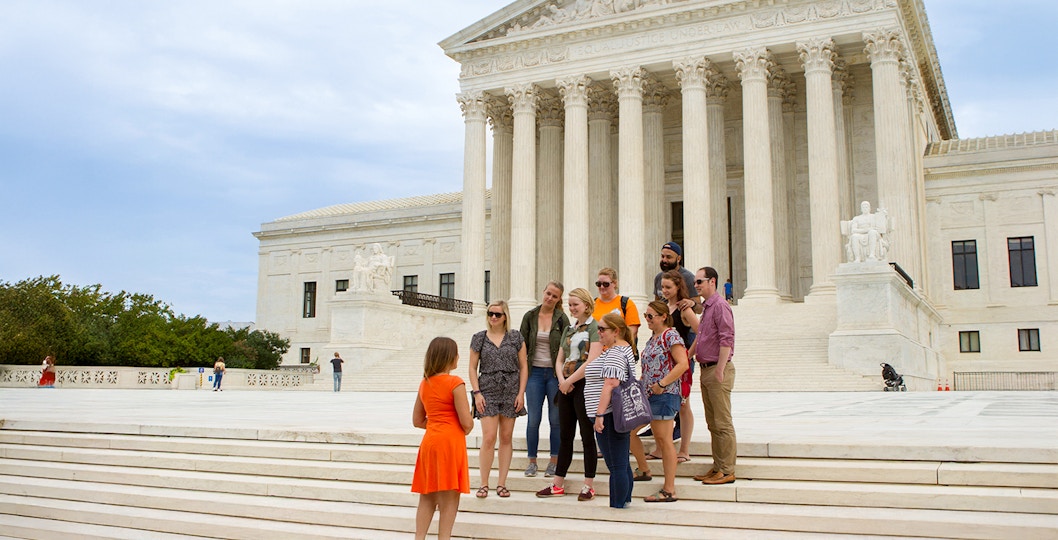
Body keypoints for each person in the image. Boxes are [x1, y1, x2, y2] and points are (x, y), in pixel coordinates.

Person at [537, 288, 601, 501]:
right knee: (565, 436)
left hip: (584, 386)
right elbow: (559, 358)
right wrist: (562, 381)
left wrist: (570, 381)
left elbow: (592, 359)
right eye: (570, 304)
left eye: (576, 304)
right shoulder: (568, 329)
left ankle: (588, 485)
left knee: (586, 435)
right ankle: (557, 483)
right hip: (565, 385)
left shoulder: (595, 327)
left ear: (586, 304)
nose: (572, 308)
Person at [411, 337, 474, 540]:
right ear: (451, 357)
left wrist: (437, 424)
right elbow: (467, 423)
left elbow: (417, 420)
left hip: (430, 441)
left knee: (427, 497)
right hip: (450, 442)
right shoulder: (455, 383)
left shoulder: (425, 383)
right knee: (449, 499)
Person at [468, 300, 527, 499]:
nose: (493, 317)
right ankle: (483, 483)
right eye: (490, 313)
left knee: (506, 437)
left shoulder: (515, 337)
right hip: (487, 389)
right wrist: (477, 393)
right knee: (489, 437)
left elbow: (524, 366)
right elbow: (472, 367)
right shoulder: (479, 338)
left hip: (511, 388)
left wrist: (521, 393)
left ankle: (501, 483)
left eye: (497, 314)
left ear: (505, 316)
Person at [633, 300, 689, 502]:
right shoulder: (652, 338)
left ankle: (669, 489)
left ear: (663, 316)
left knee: (664, 441)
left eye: (650, 316)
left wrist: (663, 384)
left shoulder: (670, 335)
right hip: (650, 395)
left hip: (665, 394)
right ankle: (644, 470)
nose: (646, 319)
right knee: (629, 431)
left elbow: (682, 364)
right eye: (646, 316)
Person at [688, 266, 737, 485]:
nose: (696, 285)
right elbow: (702, 336)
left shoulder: (720, 306)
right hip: (705, 368)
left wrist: (720, 368)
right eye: (696, 282)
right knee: (713, 423)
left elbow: (727, 337)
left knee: (723, 422)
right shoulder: (707, 308)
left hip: (717, 368)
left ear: (713, 282)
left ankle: (727, 470)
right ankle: (718, 467)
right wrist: (688, 356)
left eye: (700, 281)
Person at [519, 281, 569, 478]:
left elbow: (568, 345)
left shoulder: (561, 318)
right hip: (535, 374)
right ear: (543, 292)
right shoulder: (530, 316)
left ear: (558, 299)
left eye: (554, 296)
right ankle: (532, 461)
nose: (550, 298)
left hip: (554, 375)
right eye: (548, 293)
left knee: (555, 420)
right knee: (533, 419)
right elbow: (521, 346)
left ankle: (553, 461)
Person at [589, 312, 637, 508]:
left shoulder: (616, 352)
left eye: (602, 329)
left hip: (609, 414)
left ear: (616, 331)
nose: (598, 333)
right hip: (615, 413)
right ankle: (624, 500)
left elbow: (610, 383)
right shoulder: (623, 349)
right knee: (622, 462)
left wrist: (599, 414)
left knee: (616, 465)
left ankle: (617, 505)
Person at [593, 267, 640, 355]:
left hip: (618, 354)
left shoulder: (627, 303)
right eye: (598, 284)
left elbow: (632, 332)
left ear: (614, 283)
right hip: (595, 353)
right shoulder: (593, 304)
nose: (602, 287)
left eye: (606, 284)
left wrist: (613, 349)